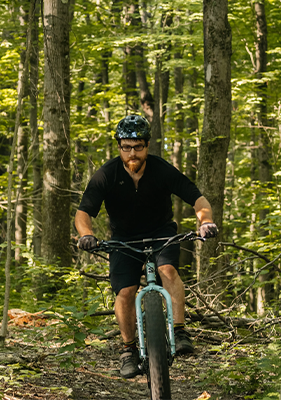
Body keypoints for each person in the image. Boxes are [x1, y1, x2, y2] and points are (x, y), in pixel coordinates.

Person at [74, 115, 218, 379]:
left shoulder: (161, 170)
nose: (132, 152)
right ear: (118, 146)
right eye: (126, 146)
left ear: (147, 145)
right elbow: (84, 212)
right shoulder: (106, 175)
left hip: (160, 232)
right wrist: (86, 235)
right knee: (126, 292)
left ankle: (179, 330)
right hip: (123, 239)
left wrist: (205, 221)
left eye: (138, 146)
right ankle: (128, 350)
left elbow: (197, 198)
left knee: (168, 271)